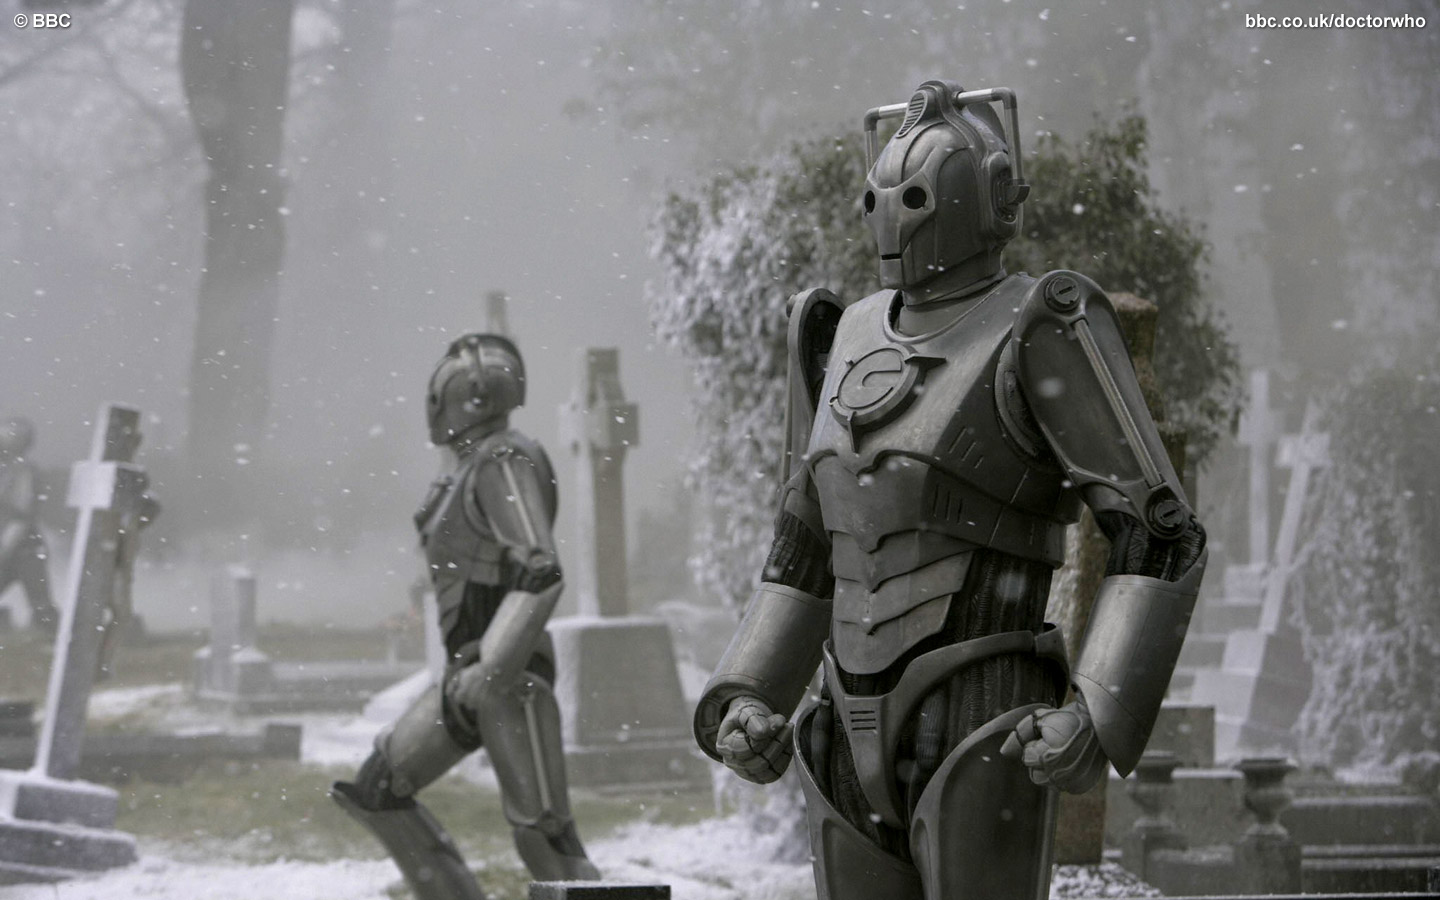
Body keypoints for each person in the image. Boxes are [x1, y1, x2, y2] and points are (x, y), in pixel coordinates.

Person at [693, 79, 1207, 899]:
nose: (895, 217)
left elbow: (1160, 532)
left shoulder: (1041, 322)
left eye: (916, 197)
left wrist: (1095, 714)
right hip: (839, 722)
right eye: (885, 198)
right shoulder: (840, 332)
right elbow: (806, 543)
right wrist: (749, 694)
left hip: (985, 708)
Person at [332, 334, 600, 900]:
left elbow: (540, 571)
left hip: (511, 677)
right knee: (378, 789)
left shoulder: (502, 460)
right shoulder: (470, 465)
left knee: (547, 837)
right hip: (469, 678)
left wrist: (494, 667)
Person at [0, 417, 58, 634]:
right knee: (41, 602)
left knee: (41, 604)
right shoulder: (13, 469)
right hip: (16, 545)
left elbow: (22, 513)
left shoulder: (24, 471)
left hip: (25, 548)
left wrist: (6, 546)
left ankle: (57, 639)